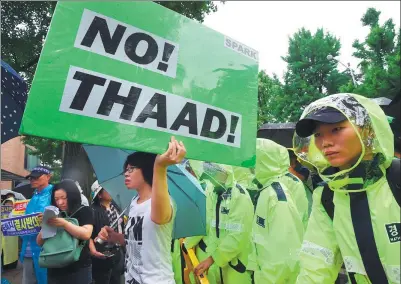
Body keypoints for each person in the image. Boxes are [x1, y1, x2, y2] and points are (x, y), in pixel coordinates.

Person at [294, 93, 400, 283]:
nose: (325, 142)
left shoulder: (396, 180)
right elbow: (315, 264)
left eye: (336, 129)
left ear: (368, 130)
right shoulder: (327, 195)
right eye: (318, 134)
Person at [97, 136, 185, 284]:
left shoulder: (164, 202)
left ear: (147, 170)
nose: (126, 173)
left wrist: (160, 166)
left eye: (131, 169)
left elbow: (159, 218)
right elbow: (137, 241)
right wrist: (115, 237)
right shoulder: (133, 203)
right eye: (125, 169)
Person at [185, 161, 254, 284]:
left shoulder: (240, 196)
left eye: (212, 174)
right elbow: (205, 222)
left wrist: (212, 259)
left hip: (235, 264)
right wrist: (187, 244)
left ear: (224, 172)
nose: (210, 179)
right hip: (216, 262)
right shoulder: (213, 191)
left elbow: (238, 236)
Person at [249, 138, 304, 283]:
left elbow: (283, 254)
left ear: (263, 161)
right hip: (264, 274)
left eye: (253, 161)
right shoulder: (265, 191)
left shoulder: (276, 197)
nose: (249, 167)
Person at [36, 180, 94, 284]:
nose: (60, 202)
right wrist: (45, 225)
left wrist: (64, 224)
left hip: (78, 269)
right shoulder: (53, 213)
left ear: (73, 195)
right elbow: (39, 242)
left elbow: (86, 234)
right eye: (56, 199)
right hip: (54, 268)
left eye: (64, 198)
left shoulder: (84, 211)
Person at [20, 166, 54, 284]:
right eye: (31, 178)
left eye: (36, 177)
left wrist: (48, 217)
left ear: (48, 176)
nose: (32, 180)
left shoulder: (55, 193)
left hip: (47, 250)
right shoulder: (34, 196)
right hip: (28, 248)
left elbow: (64, 217)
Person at [90, 181, 125, 284]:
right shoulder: (93, 211)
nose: (111, 191)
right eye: (107, 189)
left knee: (117, 279)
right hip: (102, 254)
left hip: (118, 252)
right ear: (99, 194)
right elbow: (91, 235)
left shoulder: (117, 208)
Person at [1, 197, 19, 271]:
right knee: (3, 253)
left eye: (11, 204)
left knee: (11, 253)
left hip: (12, 239)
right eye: (7, 203)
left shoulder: (15, 214)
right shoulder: (2, 214)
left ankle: (11, 266)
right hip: (2, 238)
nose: (8, 205)